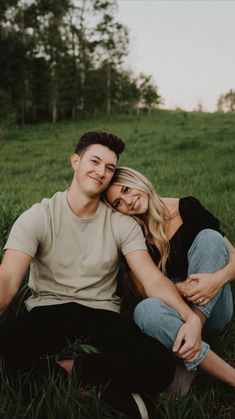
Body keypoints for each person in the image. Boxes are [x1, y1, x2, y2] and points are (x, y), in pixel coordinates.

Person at [0, 131, 204, 419]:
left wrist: (191, 316)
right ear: (75, 161)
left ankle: (69, 375)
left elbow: (150, 277)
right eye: (94, 162)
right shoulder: (38, 216)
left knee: (158, 363)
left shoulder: (121, 224)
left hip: (100, 312)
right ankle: (110, 392)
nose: (101, 172)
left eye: (109, 167)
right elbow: (7, 283)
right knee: (5, 350)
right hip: (47, 309)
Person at [105, 166, 235, 390]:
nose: (128, 201)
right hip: (173, 314)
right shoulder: (132, 234)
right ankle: (203, 353)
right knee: (145, 310)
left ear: (138, 180)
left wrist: (217, 280)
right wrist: (181, 289)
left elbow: (232, 256)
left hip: (213, 310)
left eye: (126, 189)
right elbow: (143, 290)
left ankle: (189, 349)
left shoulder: (187, 207)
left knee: (210, 239)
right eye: (118, 202)